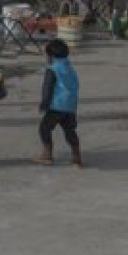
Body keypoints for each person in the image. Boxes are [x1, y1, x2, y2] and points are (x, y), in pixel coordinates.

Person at [33, 39, 83, 168]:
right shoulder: (71, 69)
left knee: (44, 128)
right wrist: (73, 107)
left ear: (51, 56)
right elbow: (75, 87)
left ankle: (47, 155)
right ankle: (77, 158)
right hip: (70, 107)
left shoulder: (52, 70)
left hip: (56, 107)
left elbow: (47, 89)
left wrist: (44, 104)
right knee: (70, 131)